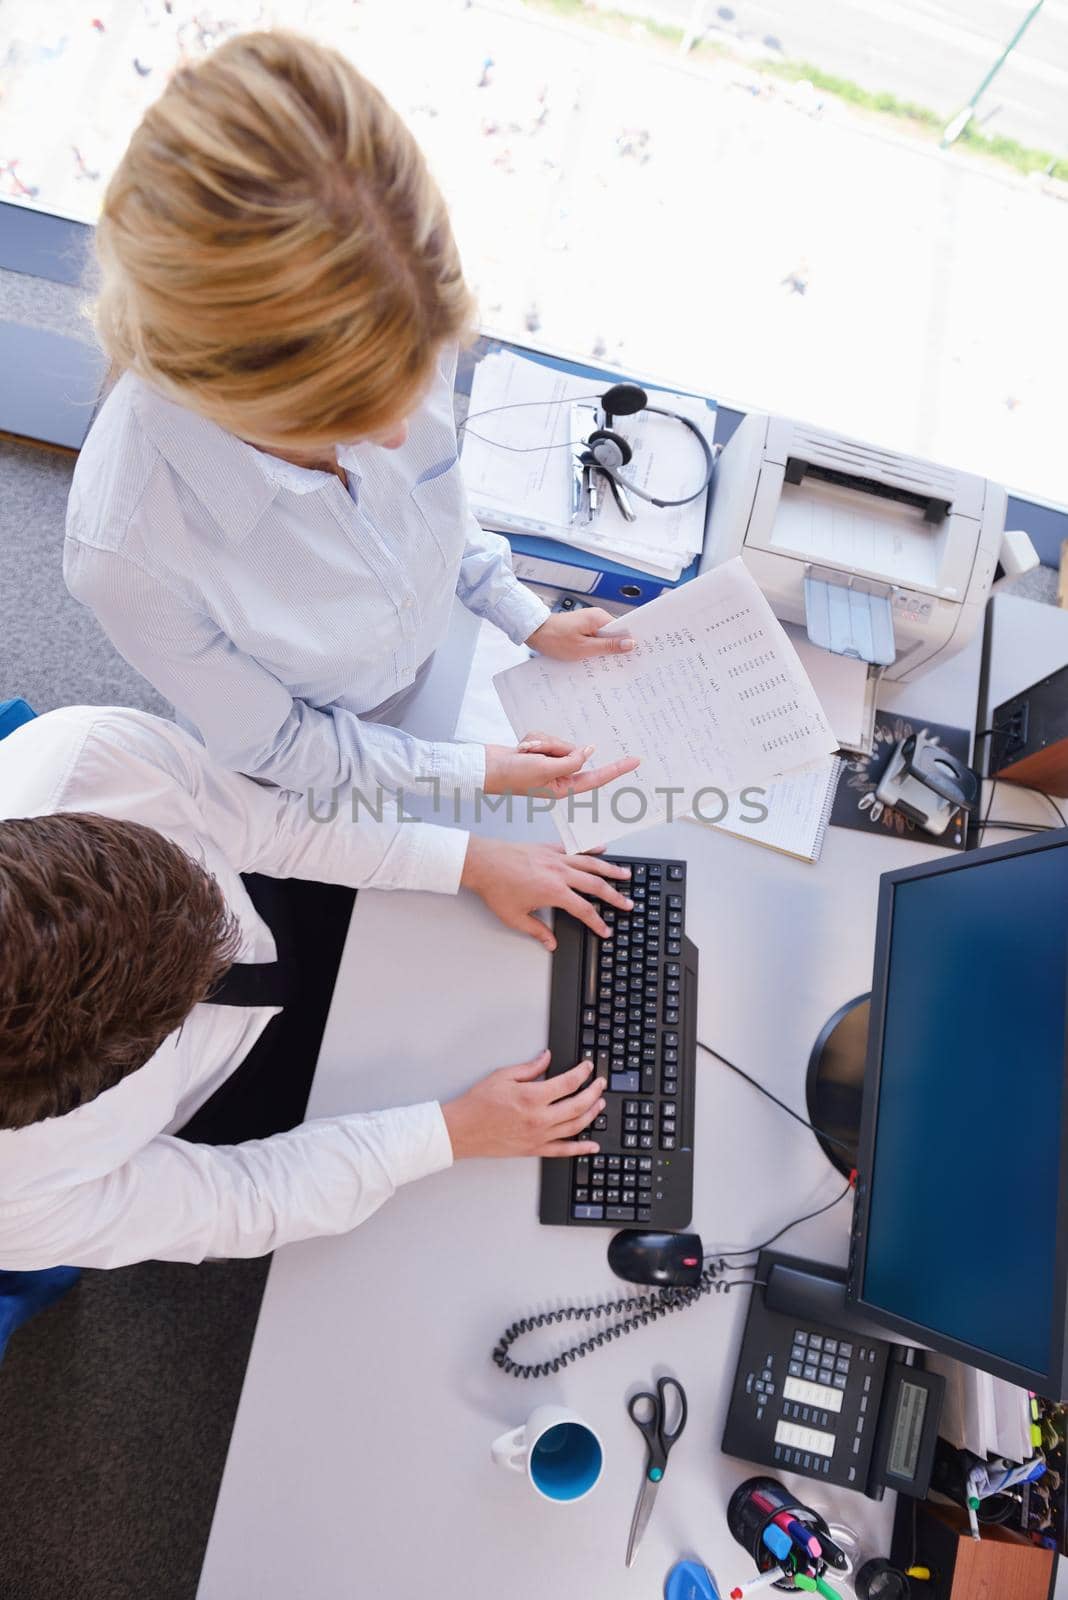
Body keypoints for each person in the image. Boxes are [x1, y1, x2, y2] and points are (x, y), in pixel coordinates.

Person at [65, 30, 635, 809]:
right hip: (305, 778)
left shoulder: (398, 311)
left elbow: (432, 508)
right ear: (227, 393)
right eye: (347, 420)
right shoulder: (128, 551)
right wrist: (475, 774)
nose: (401, 437)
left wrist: (523, 615)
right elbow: (280, 743)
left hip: (427, 683)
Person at [0, 706, 631, 1270]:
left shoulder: (85, 758)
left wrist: (471, 861)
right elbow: (237, 1201)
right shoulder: (16, 1207)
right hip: (224, 1093)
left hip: (275, 896)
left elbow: (277, 828)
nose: (224, 948)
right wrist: (452, 1134)